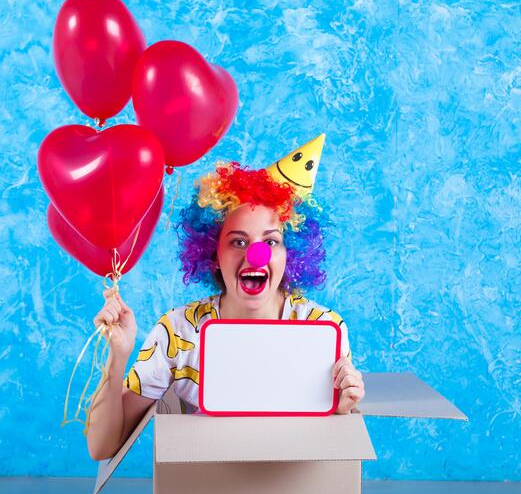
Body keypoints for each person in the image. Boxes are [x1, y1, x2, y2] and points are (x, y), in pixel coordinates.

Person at [86, 156, 365, 461]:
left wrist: (341, 410)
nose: (256, 255)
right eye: (238, 242)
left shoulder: (322, 329)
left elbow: (328, 451)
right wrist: (118, 355)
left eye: (271, 242)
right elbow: (102, 447)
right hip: (208, 484)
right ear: (213, 253)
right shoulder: (178, 331)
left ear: (290, 254)